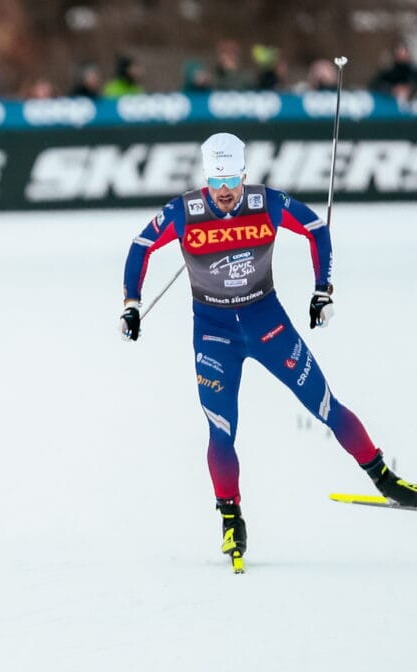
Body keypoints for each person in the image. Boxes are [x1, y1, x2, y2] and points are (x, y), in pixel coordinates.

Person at [118, 132, 417, 567]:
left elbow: (316, 228)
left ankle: (384, 479)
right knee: (220, 430)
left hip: (268, 323)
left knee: (325, 405)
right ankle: (231, 519)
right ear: (207, 177)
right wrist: (131, 303)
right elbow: (141, 246)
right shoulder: (184, 211)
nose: (223, 191)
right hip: (214, 333)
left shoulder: (266, 202)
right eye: (215, 180)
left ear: (243, 173)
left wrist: (322, 291)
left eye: (231, 180)